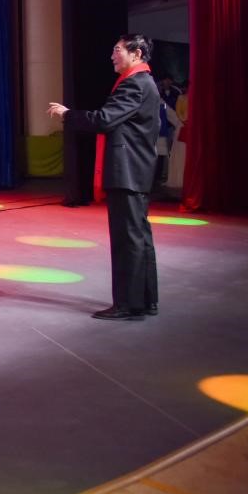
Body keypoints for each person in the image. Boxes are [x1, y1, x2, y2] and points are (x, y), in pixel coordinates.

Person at [49, 34, 160, 321]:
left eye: (117, 50)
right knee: (139, 237)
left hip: (128, 171)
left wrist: (68, 114)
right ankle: (145, 300)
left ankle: (128, 305)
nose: (112, 56)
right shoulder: (144, 82)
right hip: (136, 170)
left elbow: (104, 119)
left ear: (136, 54)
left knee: (127, 240)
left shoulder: (134, 84)